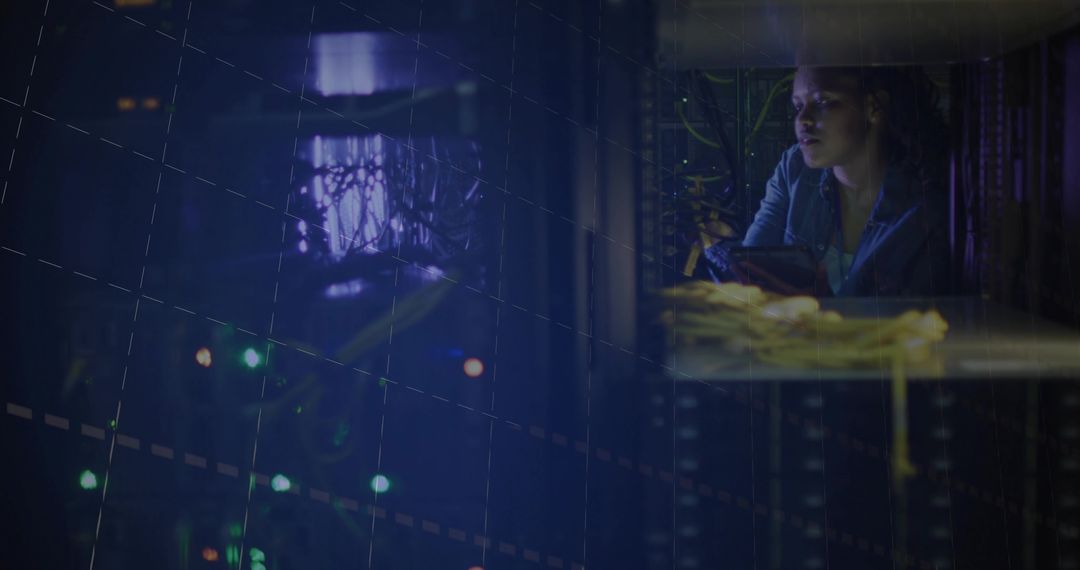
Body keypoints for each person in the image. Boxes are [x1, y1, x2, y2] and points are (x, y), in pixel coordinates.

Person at [739, 65, 952, 297]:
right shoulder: (794, 169)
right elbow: (747, 266)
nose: (803, 120)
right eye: (798, 106)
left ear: (873, 106)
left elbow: (923, 318)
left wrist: (824, 311)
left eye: (822, 102)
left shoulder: (927, 203)